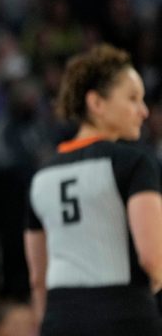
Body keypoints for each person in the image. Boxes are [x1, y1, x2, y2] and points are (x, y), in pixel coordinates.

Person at [24, 44, 162, 335]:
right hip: (124, 316)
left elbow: (38, 277)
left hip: (60, 320)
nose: (144, 111)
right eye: (133, 99)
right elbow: (153, 258)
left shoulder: (41, 177)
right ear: (96, 103)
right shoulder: (135, 162)